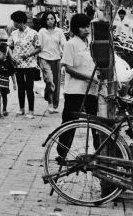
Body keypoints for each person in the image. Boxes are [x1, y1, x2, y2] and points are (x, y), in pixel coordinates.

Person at [57, 13, 100, 159]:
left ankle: (99, 153)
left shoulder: (90, 43)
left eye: (88, 26)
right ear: (75, 28)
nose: (86, 29)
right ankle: (62, 153)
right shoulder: (71, 44)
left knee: (96, 123)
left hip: (92, 90)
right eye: (83, 27)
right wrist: (89, 78)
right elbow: (68, 68)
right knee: (69, 123)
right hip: (75, 90)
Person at [9, 10, 41, 118]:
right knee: (20, 86)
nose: (14, 24)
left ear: (20, 22)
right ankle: (21, 108)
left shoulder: (33, 33)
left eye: (15, 22)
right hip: (17, 64)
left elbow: (39, 48)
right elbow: (10, 46)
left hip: (30, 64)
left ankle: (31, 110)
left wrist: (28, 54)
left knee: (29, 87)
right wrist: (12, 56)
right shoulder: (13, 33)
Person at [38, 11, 65, 114]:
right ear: (45, 21)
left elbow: (63, 44)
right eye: (48, 19)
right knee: (50, 81)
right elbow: (38, 46)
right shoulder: (41, 31)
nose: (50, 21)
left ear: (55, 20)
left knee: (56, 83)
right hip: (44, 58)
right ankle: (49, 101)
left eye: (52, 18)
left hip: (56, 59)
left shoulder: (59, 31)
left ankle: (55, 104)